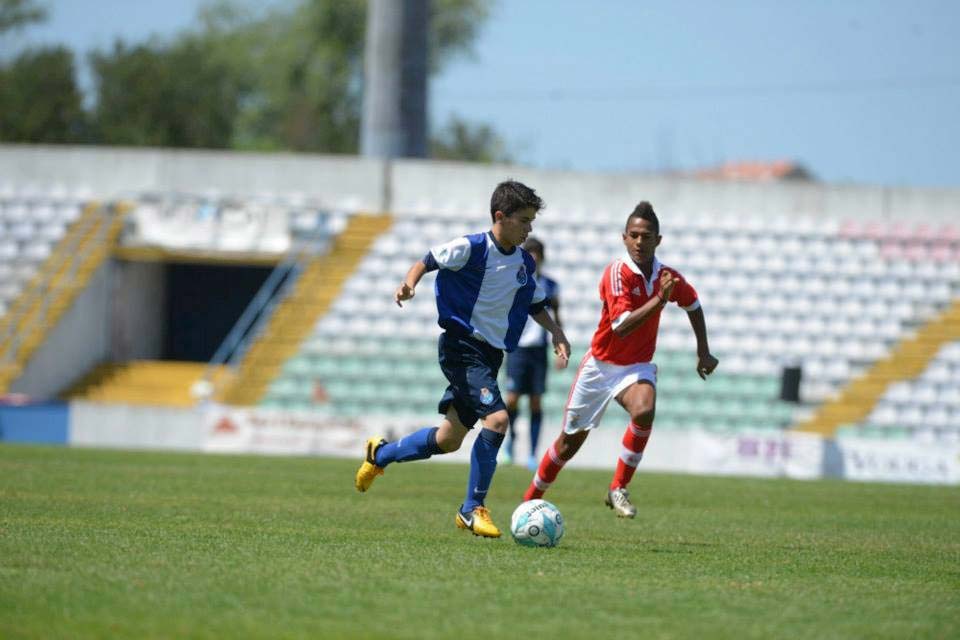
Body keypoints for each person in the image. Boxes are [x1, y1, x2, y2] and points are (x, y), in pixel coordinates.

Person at [355, 180, 571, 538]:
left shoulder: (522, 263)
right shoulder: (472, 247)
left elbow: (535, 303)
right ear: (500, 216)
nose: (529, 229)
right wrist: (409, 284)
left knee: (449, 439)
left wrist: (557, 332)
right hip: (461, 346)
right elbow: (427, 260)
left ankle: (381, 455)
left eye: (532, 222)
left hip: (489, 355)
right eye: (524, 221)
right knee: (498, 420)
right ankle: (471, 509)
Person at [522, 201, 718, 518]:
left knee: (644, 409)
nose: (640, 242)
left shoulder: (666, 277)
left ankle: (618, 487)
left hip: (636, 366)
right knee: (567, 445)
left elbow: (693, 303)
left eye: (647, 236)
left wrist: (703, 350)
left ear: (658, 240)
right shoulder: (617, 273)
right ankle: (529, 501)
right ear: (624, 238)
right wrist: (659, 300)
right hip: (600, 366)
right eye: (634, 235)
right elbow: (622, 326)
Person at [504, 237, 561, 470]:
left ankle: (532, 454)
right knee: (512, 398)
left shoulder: (551, 285)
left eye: (538, 253)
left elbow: (557, 316)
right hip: (517, 348)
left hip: (538, 350)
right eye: (531, 253)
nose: (535, 257)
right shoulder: (514, 281)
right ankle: (510, 442)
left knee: (536, 402)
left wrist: (559, 345)